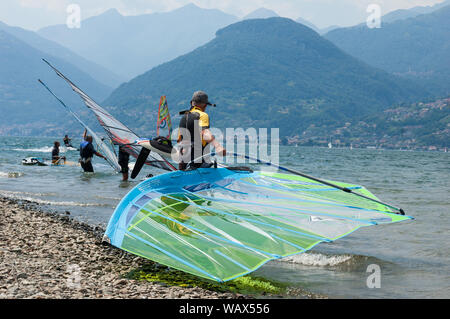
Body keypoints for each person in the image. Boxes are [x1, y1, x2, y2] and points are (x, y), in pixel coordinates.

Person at [177, 91, 226, 170]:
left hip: (183, 162)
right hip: (197, 160)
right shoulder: (202, 115)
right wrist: (218, 147)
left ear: (191, 103)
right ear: (205, 105)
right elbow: (204, 132)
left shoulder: (184, 117)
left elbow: (179, 140)